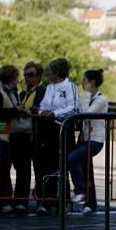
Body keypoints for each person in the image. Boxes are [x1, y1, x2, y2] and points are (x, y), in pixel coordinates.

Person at [36, 58, 79, 214]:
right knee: (47, 165)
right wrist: (44, 112)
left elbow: (74, 108)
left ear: (58, 72)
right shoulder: (49, 88)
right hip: (48, 131)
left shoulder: (70, 86)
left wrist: (55, 113)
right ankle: (48, 199)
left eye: (51, 72)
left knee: (62, 166)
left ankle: (65, 201)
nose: (48, 74)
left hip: (63, 129)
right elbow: (43, 106)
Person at [67, 69, 108, 214]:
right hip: (84, 139)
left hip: (95, 140)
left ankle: (80, 189)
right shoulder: (88, 97)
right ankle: (91, 204)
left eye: (84, 81)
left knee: (71, 158)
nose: (82, 84)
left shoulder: (101, 99)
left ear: (91, 83)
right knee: (86, 170)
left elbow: (87, 114)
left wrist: (86, 94)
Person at [0, 65, 32, 214]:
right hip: (3, 136)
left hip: (16, 135)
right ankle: (5, 202)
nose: (18, 81)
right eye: (16, 78)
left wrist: (20, 109)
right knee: (4, 170)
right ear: (11, 79)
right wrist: (16, 111)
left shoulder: (13, 91)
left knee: (21, 168)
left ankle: (20, 201)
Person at [21, 62, 46, 211]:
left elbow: (42, 106)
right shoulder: (24, 93)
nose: (27, 78)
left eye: (30, 75)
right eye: (25, 75)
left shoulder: (43, 90)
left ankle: (41, 202)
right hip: (24, 135)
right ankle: (22, 201)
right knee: (23, 169)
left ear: (38, 76)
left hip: (38, 136)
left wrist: (31, 109)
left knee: (39, 169)